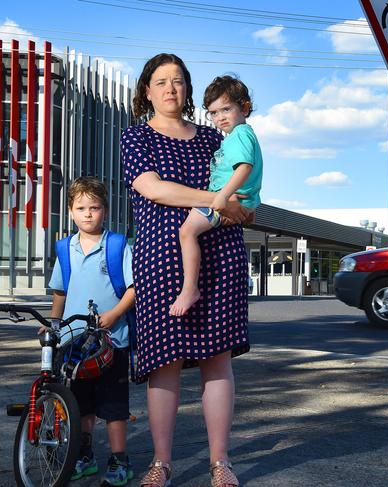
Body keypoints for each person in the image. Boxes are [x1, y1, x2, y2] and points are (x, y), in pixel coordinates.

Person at [121, 53, 251, 487]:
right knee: (164, 363)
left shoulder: (215, 138)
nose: (170, 89)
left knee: (218, 361)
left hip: (220, 256)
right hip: (160, 260)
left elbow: (244, 185)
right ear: (147, 91)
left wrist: (243, 206)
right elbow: (153, 189)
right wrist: (216, 201)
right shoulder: (136, 137)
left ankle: (220, 462)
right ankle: (161, 462)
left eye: (177, 81)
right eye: (161, 82)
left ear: (187, 89)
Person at [48, 176, 136, 486]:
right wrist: (53, 327)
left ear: (106, 211)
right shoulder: (64, 249)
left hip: (113, 342)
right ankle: (84, 456)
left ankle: (119, 460)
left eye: (94, 207)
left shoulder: (117, 245)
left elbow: (133, 288)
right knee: (80, 404)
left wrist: (114, 314)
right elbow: (60, 292)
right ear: (70, 211)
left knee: (113, 407)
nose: (88, 213)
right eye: (81, 207)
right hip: (73, 343)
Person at [170, 75, 263, 317]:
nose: (219, 117)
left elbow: (244, 167)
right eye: (213, 112)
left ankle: (190, 288)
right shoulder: (238, 135)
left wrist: (221, 197)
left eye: (226, 109)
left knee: (187, 232)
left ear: (244, 107)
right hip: (238, 200)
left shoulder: (240, 134)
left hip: (225, 200)